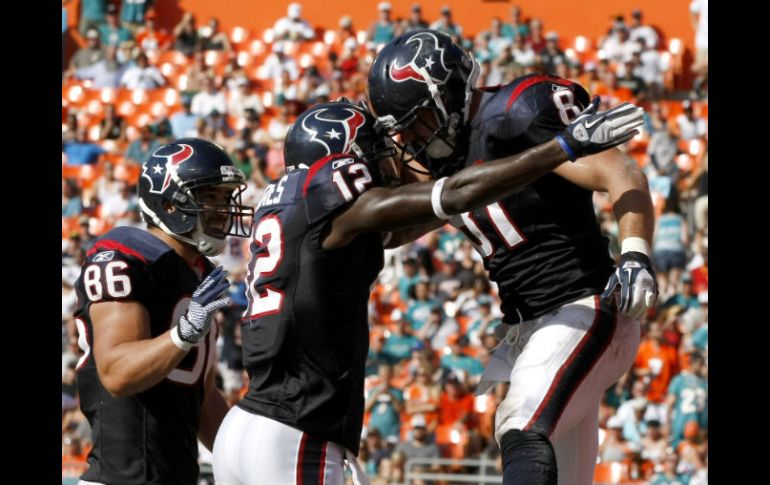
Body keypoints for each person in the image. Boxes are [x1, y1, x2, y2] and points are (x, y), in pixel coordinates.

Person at [212, 96, 643, 484]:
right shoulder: (334, 198)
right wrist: (560, 147)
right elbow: (453, 193)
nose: (390, 163)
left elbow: (424, 216)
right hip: (295, 431)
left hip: (243, 427)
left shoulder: (290, 207)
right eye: (376, 152)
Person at [368, 29, 657, 485]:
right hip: (533, 326)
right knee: (555, 469)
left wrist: (636, 254)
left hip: (584, 307)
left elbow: (620, 171)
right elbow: (397, 228)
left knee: (519, 424)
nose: (411, 137)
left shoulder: (516, 113)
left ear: (448, 96)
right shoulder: (448, 157)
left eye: (417, 121)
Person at [72, 138, 254, 483]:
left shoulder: (198, 272)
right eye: (209, 197)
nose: (223, 209)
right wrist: (183, 334)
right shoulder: (125, 257)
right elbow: (117, 374)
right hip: (122, 477)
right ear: (170, 204)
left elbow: (201, 399)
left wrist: (250, 465)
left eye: (225, 198)